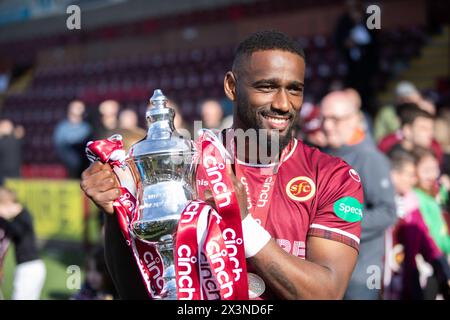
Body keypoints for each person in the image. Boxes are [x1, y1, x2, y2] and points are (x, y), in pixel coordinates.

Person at [81, 30, 365, 300]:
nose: (282, 103)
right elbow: (139, 293)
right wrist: (114, 213)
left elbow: (327, 292)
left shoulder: (334, 177)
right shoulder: (184, 166)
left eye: (294, 89)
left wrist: (242, 224)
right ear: (231, 86)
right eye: (266, 87)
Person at [321, 90, 397, 299]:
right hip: (324, 272)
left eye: (335, 119)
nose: (327, 126)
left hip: (360, 277)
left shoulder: (370, 157)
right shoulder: (324, 154)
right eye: (324, 118)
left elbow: (387, 212)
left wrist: (337, 227)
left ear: (354, 119)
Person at [384, 148, 450, 300]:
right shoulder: (381, 205)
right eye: (410, 175)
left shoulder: (411, 204)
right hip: (383, 278)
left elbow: (426, 238)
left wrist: (442, 267)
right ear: (394, 174)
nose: (413, 180)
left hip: (410, 277)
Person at [0, 187, 46, 300]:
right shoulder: (19, 217)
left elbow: (17, 231)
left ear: (8, 204)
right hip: (29, 268)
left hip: (29, 268)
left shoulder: (24, 216)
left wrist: (2, 219)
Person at [378, 104, 444, 167]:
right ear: (407, 131)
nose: (431, 133)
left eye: (432, 129)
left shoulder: (435, 149)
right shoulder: (388, 154)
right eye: (424, 128)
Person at [53, 100, 92, 178]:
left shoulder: (86, 127)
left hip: (83, 154)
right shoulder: (62, 127)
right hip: (68, 153)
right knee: (74, 160)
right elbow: (59, 143)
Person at [0, 119, 24, 183]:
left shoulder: (16, 140)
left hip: (13, 175)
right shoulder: (16, 139)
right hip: (4, 175)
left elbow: (20, 131)